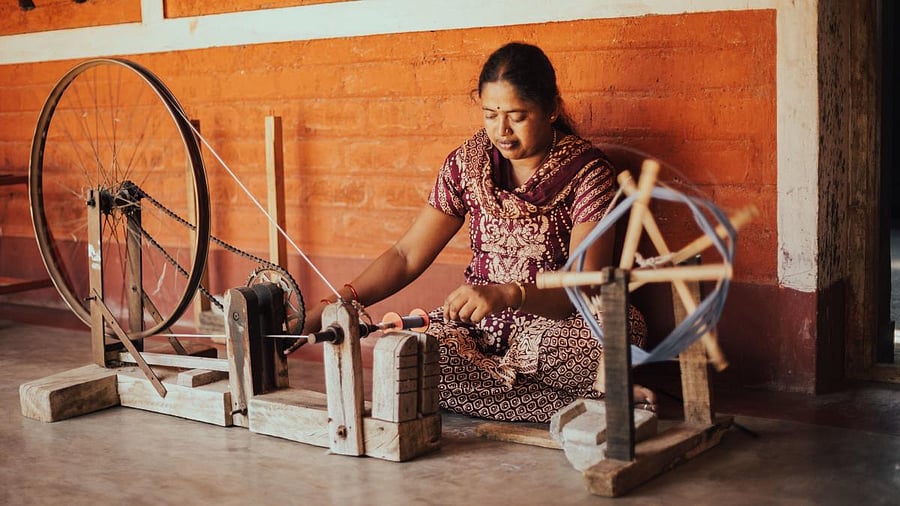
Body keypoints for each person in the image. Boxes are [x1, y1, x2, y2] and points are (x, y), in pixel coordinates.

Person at [303, 42, 653, 423]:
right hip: (477, 332)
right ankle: (585, 403)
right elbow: (406, 255)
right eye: (490, 115)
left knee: (620, 330)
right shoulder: (467, 164)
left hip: (554, 332)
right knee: (406, 352)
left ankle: (530, 395)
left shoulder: (589, 174)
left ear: (551, 109)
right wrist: (337, 304)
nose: (501, 131)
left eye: (517, 116)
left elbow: (581, 288)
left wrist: (508, 294)